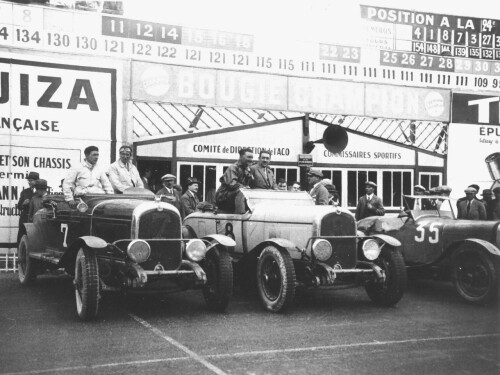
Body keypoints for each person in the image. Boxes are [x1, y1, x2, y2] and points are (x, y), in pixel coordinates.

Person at [215, 148, 254, 213]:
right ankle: (240, 216)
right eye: (248, 157)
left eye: (252, 157)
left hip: (234, 196)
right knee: (242, 191)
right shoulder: (233, 167)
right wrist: (244, 187)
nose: (251, 159)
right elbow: (232, 184)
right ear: (241, 157)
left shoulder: (246, 169)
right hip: (223, 197)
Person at [17, 171, 39, 243]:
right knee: (22, 236)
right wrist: (23, 204)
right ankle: (20, 252)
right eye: (28, 181)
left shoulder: (42, 192)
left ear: (37, 180)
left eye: (31, 181)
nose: (29, 182)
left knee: (34, 239)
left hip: (36, 219)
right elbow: (19, 206)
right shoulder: (24, 192)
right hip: (25, 219)